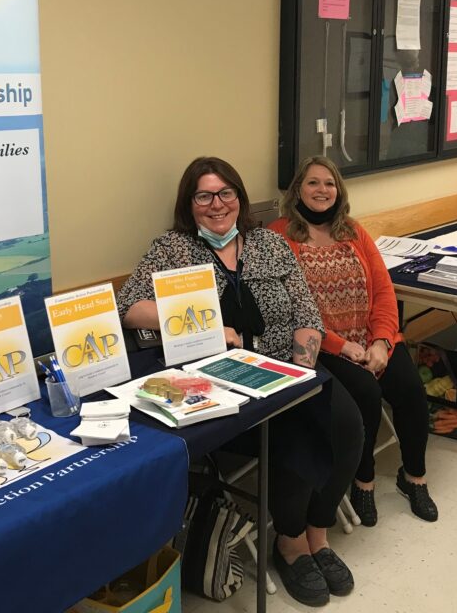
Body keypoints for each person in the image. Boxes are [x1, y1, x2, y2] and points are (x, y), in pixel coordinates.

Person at [118, 156, 364, 607]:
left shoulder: (269, 244)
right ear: (189, 203)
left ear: (240, 198)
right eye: (204, 196)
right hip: (223, 384)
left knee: (348, 426)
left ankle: (318, 533)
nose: (217, 205)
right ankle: (290, 545)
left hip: (287, 367)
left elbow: (305, 312)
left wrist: (303, 370)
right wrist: (203, 326)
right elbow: (129, 307)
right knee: (291, 436)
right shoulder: (173, 249)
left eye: (226, 193)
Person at [270, 155, 438, 527]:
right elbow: (293, 310)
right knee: (367, 393)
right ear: (298, 189)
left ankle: (415, 477)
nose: (322, 190)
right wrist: (340, 346)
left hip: (372, 339)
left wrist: (382, 343)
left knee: (410, 390)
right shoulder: (280, 235)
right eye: (313, 183)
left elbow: (383, 291)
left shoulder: (354, 231)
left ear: (339, 191)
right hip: (327, 349)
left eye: (329, 183)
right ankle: (363, 481)